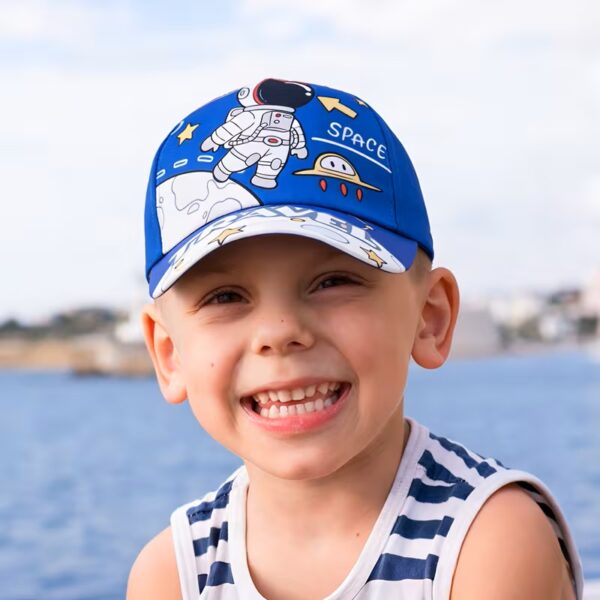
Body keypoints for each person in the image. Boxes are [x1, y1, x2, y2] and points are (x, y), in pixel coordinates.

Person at [127, 78, 584, 599]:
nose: (280, 333)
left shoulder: (486, 542)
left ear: (429, 317)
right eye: (225, 297)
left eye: (332, 282)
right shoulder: (174, 574)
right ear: (169, 354)